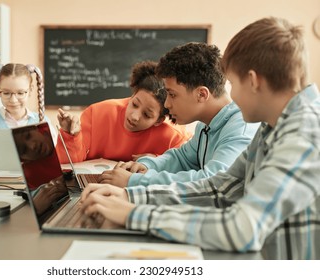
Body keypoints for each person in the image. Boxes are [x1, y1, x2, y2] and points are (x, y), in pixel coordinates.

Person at [79, 17, 320, 256]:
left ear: (253, 81)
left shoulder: (304, 134)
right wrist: (130, 195)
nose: (232, 96)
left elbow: (242, 228)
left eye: (233, 84)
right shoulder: (273, 126)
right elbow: (221, 189)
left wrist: (133, 214)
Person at [99, 42, 258, 188]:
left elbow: (212, 181)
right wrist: (147, 165)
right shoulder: (206, 124)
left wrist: (134, 181)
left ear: (201, 94)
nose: (167, 104)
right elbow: (182, 158)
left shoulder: (242, 127)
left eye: (172, 95)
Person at [55, 60, 189, 164]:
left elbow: (189, 165)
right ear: (132, 96)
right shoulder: (97, 113)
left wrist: (158, 160)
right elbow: (67, 165)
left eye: (147, 115)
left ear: (159, 120)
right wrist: (70, 136)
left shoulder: (174, 136)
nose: (134, 116)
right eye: (135, 104)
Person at [0, 63, 57, 141]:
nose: (13, 100)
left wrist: (67, 133)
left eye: (20, 93)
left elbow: (58, 156)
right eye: (6, 93)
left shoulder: (44, 122)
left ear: (30, 90)